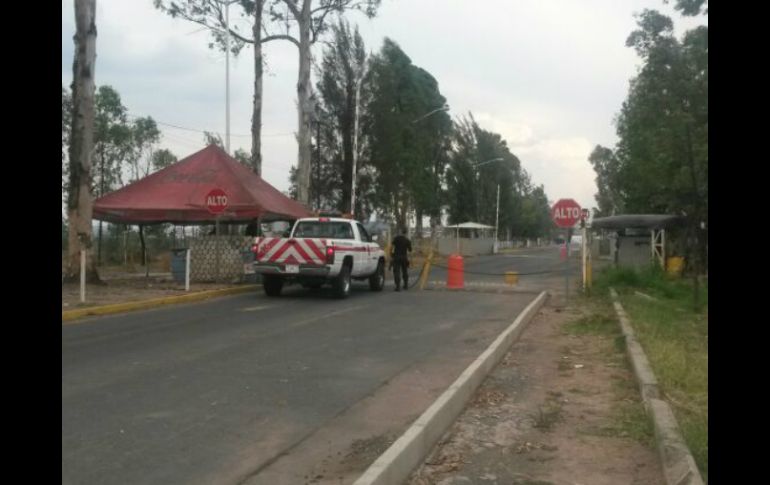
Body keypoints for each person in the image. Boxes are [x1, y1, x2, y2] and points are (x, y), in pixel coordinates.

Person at [390, 227, 412, 291]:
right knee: (405, 271)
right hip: (404, 257)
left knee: (397, 272)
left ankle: (398, 286)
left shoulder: (396, 239)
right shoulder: (407, 240)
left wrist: (391, 254)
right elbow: (410, 250)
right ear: (406, 233)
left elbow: (392, 246)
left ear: (401, 232)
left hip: (396, 257)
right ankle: (405, 285)